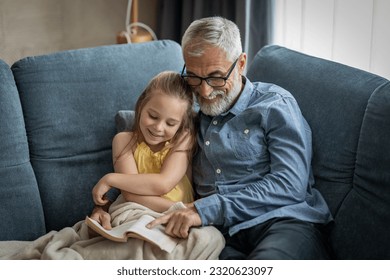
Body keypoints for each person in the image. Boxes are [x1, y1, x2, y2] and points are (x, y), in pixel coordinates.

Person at [93, 16, 333, 259]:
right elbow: (143, 150)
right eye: (194, 76)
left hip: (280, 223)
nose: (205, 91)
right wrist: (102, 206)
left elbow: (289, 184)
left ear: (240, 64)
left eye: (216, 76)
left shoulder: (274, 106)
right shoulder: (188, 118)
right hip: (219, 236)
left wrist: (205, 209)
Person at [92, 71, 196, 219]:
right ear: (141, 106)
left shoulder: (183, 140)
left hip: (180, 216)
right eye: (153, 116)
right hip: (138, 212)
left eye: (171, 123)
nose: (159, 127)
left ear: (181, 125)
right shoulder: (124, 141)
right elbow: (130, 195)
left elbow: (163, 183)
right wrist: (185, 208)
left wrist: (109, 179)